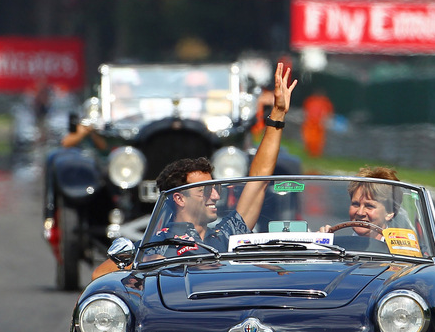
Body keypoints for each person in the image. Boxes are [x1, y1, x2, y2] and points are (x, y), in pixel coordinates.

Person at [91, 60, 296, 277]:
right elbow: (98, 275)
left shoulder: (225, 235)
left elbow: (259, 179)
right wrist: (154, 262)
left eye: (214, 187)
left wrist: (278, 114)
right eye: (205, 190)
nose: (216, 195)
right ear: (179, 199)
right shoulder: (155, 245)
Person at [320, 166, 404, 240]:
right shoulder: (338, 246)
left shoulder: (400, 252)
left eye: (369, 206)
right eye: (355, 204)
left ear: (389, 213)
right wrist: (321, 244)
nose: (360, 212)